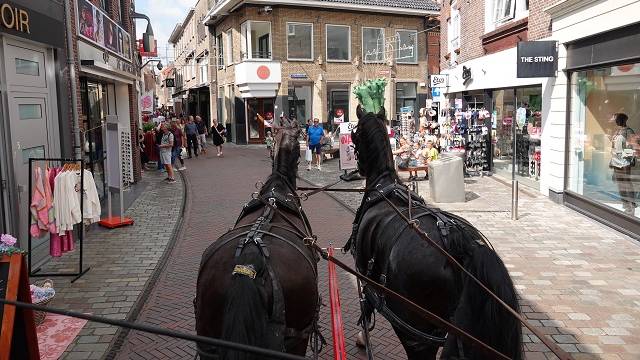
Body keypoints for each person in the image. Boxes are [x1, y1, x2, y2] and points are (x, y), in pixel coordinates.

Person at [609, 113, 638, 215]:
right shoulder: (618, 132)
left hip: (624, 162)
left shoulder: (628, 132)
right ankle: (625, 204)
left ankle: (631, 206)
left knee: (626, 184)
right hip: (616, 162)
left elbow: (632, 148)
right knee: (620, 184)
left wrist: (626, 159)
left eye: (616, 119)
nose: (615, 121)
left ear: (621, 120)